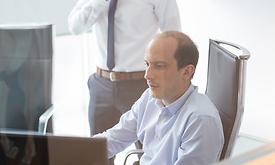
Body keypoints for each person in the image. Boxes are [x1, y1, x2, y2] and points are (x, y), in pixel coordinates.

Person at [68, 0, 181, 159]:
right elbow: (75, 26)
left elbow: (174, 39)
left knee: (148, 155)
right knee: (97, 155)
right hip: (101, 85)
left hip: (141, 85)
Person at [95, 31, 224, 164]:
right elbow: (113, 139)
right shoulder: (149, 98)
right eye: (147, 64)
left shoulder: (200, 120)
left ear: (186, 72)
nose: (147, 75)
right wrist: (78, 151)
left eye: (159, 66)